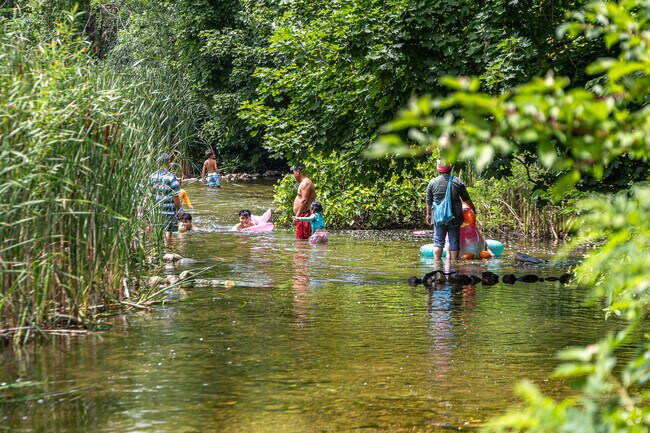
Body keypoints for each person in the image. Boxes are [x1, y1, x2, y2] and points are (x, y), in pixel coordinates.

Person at [425, 158, 476, 261]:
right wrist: (473, 210)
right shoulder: (457, 181)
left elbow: (428, 201)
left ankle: (437, 266)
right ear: (450, 168)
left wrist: (428, 215)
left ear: (438, 169)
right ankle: (453, 266)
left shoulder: (432, 183)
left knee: (438, 241)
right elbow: (466, 199)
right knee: (454, 241)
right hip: (455, 215)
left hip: (439, 216)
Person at [150, 153, 182, 245]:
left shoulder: (152, 176)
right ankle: (168, 249)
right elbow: (175, 196)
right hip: (169, 209)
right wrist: (179, 210)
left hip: (156, 209)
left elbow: (149, 193)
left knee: (159, 230)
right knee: (168, 231)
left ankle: (160, 249)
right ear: (169, 162)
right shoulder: (171, 177)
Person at [291, 163, 316, 240]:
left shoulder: (306, 182)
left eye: (293, 172)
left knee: (302, 241)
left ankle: (302, 252)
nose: (294, 175)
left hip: (304, 215)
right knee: (301, 241)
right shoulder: (303, 182)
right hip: (302, 215)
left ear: (298, 172)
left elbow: (304, 200)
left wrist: (297, 217)